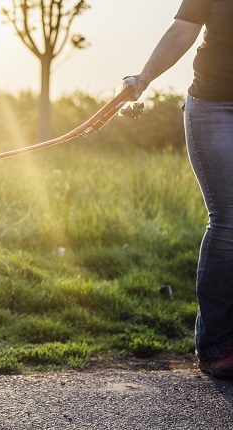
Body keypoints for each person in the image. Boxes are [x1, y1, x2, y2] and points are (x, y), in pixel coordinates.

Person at [129, 0, 233, 379]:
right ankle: (217, 344)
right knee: (229, 220)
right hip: (216, 106)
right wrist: (144, 78)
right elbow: (182, 30)